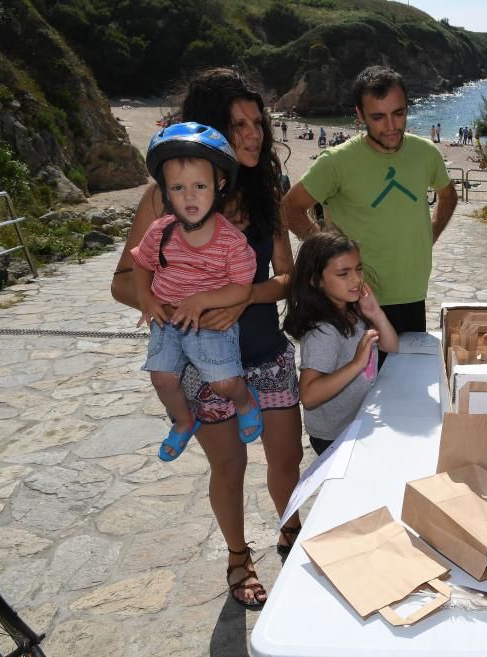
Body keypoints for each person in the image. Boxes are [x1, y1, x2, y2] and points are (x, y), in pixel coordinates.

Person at [111, 68, 304, 608]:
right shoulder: (167, 196)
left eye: (257, 124)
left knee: (287, 461)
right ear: (208, 130)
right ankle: (238, 559)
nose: (252, 135)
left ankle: (292, 532)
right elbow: (124, 282)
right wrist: (175, 309)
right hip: (202, 366)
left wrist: (239, 297)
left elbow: (285, 278)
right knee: (230, 466)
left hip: (266, 354)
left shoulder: (268, 188)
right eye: (237, 124)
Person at [281, 65, 458, 335]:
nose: (391, 126)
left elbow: (448, 194)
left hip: (413, 292)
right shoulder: (337, 162)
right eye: (378, 117)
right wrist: (328, 254)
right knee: (364, 377)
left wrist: (431, 233)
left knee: (407, 375)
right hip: (356, 300)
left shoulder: (426, 153)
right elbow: (291, 207)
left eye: (399, 113)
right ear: (359, 115)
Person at [133, 122, 263, 462]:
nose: (189, 196)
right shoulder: (160, 232)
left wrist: (202, 299)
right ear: (165, 191)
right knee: (161, 379)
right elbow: (142, 264)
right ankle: (183, 420)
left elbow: (241, 288)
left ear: (220, 185)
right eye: (178, 187)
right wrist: (146, 298)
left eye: (200, 185)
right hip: (168, 320)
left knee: (223, 383)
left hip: (210, 322)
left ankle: (244, 400)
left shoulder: (231, 242)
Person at [283, 230, 398, 455]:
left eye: (358, 269)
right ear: (316, 281)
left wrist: (376, 314)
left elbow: (391, 347)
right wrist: (356, 364)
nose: (356, 279)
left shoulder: (354, 311)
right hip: (334, 436)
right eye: (343, 274)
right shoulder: (324, 331)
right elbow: (308, 395)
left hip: (356, 421)